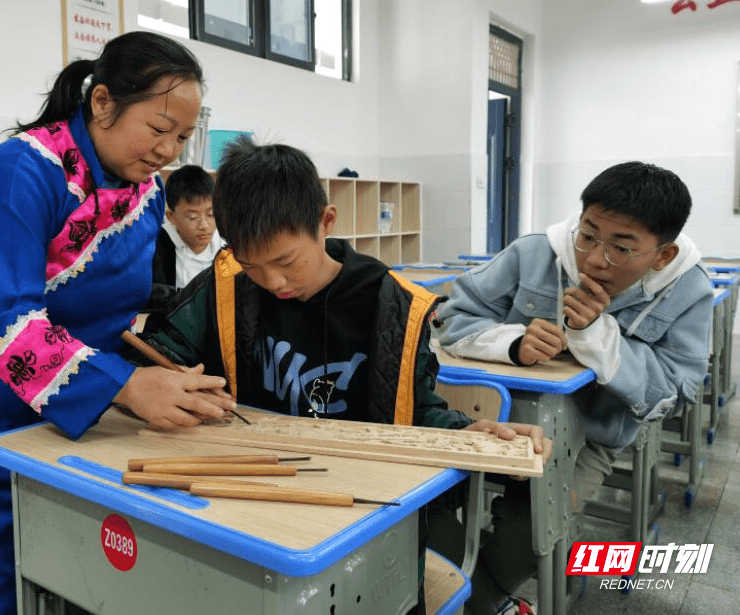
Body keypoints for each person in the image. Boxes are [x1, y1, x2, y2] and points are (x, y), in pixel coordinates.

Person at [139, 138, 549, 614]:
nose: (272, 282)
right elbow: (161, 354)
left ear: (326, 222)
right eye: (253, 266)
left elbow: (415, 412)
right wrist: (161, 381)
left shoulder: (392, 306)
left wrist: (467, 432)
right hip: (249, 500)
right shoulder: (228, 283)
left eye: (285, 262)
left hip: (357, 509)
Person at [0, 31, 236, 614]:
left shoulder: (145, 194)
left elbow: (113, 311)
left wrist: (163, 368)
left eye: (183, 138)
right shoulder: (16, 174)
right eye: (159, 130)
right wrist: (128, 386)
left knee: (68, 581)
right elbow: (2, 325)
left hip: (78, 418)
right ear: (103, 102)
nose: (169, 150)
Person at [436, 161, 712, 615]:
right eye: (588, 234)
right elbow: (451, 316)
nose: (593, 259)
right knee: (432, 508)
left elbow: (677, 391)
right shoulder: (535, 252)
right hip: (494, 423)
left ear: (661, 255)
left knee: (530, 535)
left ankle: (473, 602)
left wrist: (600, 338)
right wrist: (512, 342)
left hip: (591, 438)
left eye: (622, 248)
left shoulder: (687, 289)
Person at [143, 164, 222, 332]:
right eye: (192, 217)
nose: (204, 225)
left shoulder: (227, 248)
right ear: (171, 217)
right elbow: (142, 293)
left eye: (211, 214)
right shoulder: (155, 247)